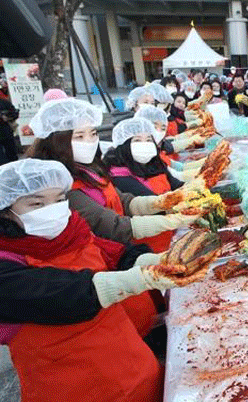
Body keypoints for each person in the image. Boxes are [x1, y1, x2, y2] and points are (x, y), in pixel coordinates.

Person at [0, 159, 208, 401]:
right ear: (5, 209)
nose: (52, 209)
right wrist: (146, 277)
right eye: (36, 203)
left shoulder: (73, 232)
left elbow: (118, 254)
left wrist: (164, 260)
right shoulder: (6, 265)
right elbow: (67, 294)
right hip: (75, 389)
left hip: (131, 366)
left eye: (58, 200)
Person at [26, 98, 199, 249]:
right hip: (100, 258)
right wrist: (174, 220)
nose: (89, 142)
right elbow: (110, 225)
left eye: (93, 134)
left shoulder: (91, 170)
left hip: (123, 248)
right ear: (57, 142)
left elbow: (124, 201)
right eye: (79, 137)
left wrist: (162, 202)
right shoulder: (59, 188)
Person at [103, 118, 183, 253]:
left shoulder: (154, 164)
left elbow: (177, 185)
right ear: (124, 145)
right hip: (147, 245)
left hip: (169, 235)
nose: (144, 144)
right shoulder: (119, 176)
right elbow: (157, 204)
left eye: (148, 140)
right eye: (137, 140)